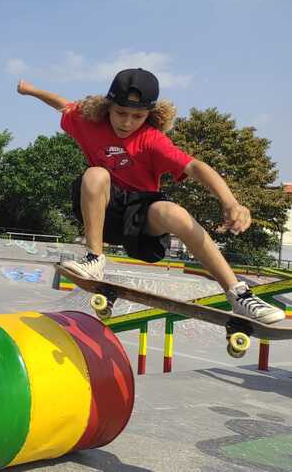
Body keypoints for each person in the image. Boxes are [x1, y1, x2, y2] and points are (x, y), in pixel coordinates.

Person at [17, 68, 284, 324]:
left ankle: (239, 294)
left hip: (141, 222)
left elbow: (194, 167)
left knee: (175, 213)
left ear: (149, 115)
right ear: (107, 106)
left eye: (138, 116)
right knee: (95, 174)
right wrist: (30, 90)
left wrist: (230, 202)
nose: (127, 123)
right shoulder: (87, 121)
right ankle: (95, 258)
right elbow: (62, 104)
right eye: (121, 113)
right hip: (105, 211)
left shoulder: (152, 140)